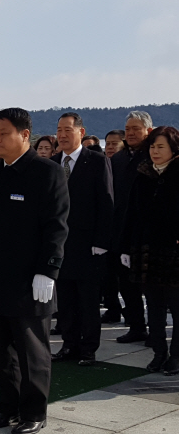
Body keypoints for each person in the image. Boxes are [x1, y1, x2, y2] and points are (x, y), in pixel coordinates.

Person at [0, 107, 69, 434]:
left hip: (30, 281)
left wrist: (48, 271)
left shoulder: (47, 173)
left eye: (2, 134)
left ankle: (34, 411)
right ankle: (7, 407)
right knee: (2, 351)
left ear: (24, 135)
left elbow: (57, 228)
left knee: (32, 352)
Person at [50, 113, 113, 367]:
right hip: (60, 244)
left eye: (67, 130)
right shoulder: (53, 163)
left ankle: (88, 348)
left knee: (87, 299)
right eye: (58, 130)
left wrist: (102, 241)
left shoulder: (96, 161)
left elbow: (106, 203)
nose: (62, 135)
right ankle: (69, 344)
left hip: (88, 244)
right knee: (65, 299)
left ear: (81, 132)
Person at [121, 126, 179, 375]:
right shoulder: (143, 175)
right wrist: (126, 246)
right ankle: (159, 352)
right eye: (153, 147)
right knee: (153, 306)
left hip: (174, 252)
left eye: (161, 147)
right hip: (146, 251)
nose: (155, 152)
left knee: (176, 308)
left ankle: (176, 356)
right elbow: (130, 214)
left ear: (174, 149)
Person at [111, 111, 153, 343]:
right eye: (127, 129)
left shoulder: (154, 155)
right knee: (125, 282)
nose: (130, 133)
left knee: (150, 285)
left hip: (145, 231)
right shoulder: (119, 158)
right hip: (120, 230)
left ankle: (155, 330)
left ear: (148, 129)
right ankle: (137, 326)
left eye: (135, 128)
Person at [100, 129, 128, 323]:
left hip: (122, 229)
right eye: (107, 143)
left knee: (125, 279)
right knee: (106, 275)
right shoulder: (102, 164)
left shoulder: (125, 166)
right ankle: (112, 308)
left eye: (114, 143)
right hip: (104, 230)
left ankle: (134, 317)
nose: (109, 147)